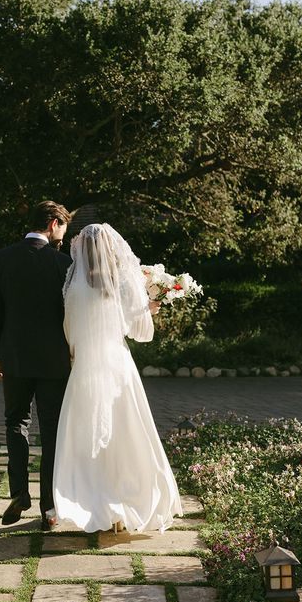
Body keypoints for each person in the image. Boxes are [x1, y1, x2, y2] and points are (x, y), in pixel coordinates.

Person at [53, 223, 183, 533]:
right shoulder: (119, 282)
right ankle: (126, 503)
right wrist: (146, 310)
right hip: (117, 363)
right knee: (126, 427)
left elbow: (69, 328)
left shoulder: (72, 285)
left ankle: (88, 499)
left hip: (85, 365)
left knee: (85, 432)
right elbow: (138, 332)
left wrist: (76, 352)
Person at [0, 200, 72, 530]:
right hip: (54, 361)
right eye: (63, 227)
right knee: (51, 430)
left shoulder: (3, 258)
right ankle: (49, 508)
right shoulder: (63, 264)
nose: (64, 234)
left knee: (15, 422)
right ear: (52, 224)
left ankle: (20, 493)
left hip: (15, 357)